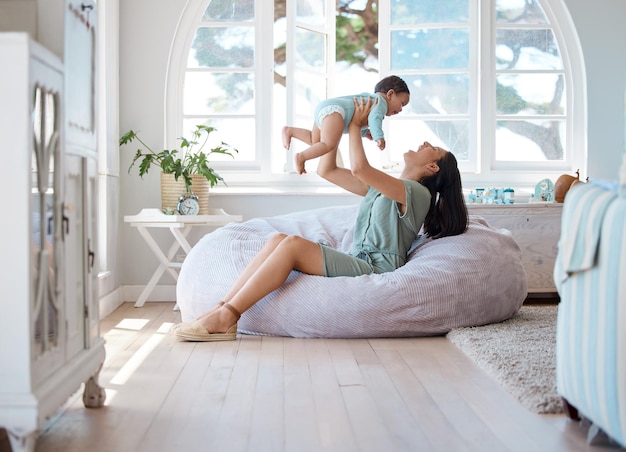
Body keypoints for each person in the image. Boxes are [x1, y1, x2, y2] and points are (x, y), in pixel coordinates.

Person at [172, 96, 468, 342]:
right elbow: (326, 170)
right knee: (277, 239)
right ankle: (221, 309)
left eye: (434, 148)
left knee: (291, 247)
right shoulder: (383, 189)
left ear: (432, 167)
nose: (426, 142)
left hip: (376, 267)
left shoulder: (418, 194)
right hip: (357, 257)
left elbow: (359, 169)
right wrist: (335, 127)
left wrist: (355, 125)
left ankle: (228, 316)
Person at [282, 75, 410, 174]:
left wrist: (365, 132)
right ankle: (301, 157)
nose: (400, 110)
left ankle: (290, 131)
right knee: (328, 145)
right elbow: (375, 118)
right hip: (336, 111)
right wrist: (378, 136)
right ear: (390, 94)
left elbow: (354, 119)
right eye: (402, 104)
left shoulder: (369, 100)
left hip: (325, 108)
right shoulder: (380, 102)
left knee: (316, 142)